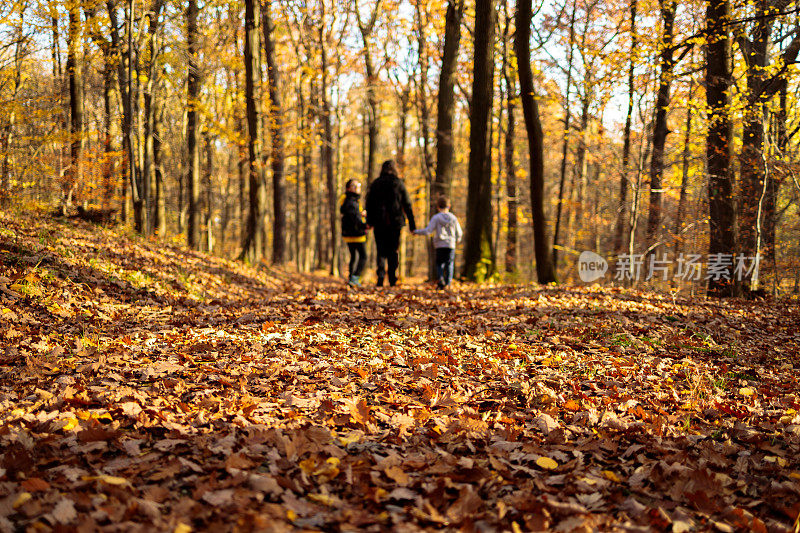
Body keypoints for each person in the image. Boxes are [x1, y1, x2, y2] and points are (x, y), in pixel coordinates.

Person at [365, 160, 416, 287]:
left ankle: (381, 278)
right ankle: (392, 278)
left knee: (381, 250)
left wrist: (369, 222)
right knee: (393, 251)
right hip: (395, 222)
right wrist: (412, 225)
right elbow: (407, 204)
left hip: (379, 222)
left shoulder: (376, 184)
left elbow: (369, 204)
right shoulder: (398, 183)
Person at [414, 196, 462, 289]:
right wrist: (458, 239)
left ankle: (441, 280)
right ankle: (448, 283)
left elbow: (428, 230)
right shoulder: (453, 218)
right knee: (449, 263)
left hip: (439, 244)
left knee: (439, 263)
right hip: (450, 244)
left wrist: (416, 232)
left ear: (438, 207)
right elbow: (459, 232)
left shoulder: (436, 218)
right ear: (449, 206)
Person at [340, 179, 368, 287]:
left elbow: (354, 215)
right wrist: (365, 225)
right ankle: (354, 278)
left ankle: (351, 278)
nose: (357, 188)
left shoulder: (349, 200)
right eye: (354, 186)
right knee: (363, 256)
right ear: (348, 188)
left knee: (353, 256)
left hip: (349, 233)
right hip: (356, 233)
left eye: (358, 186)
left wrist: (361, 214)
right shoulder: (351, 201)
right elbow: (354, 218)